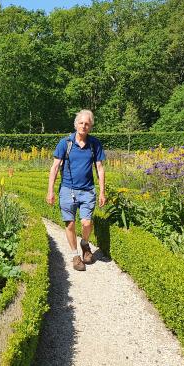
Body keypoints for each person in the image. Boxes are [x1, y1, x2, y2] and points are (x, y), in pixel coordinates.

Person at [46, 109, 106, 271]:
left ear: (90, 126)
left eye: (87, 124)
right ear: (76, 124)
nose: (84, 126)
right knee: (70, 224)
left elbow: (99, 168)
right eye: (81, 123)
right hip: (67, 190)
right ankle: (75, 255)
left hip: (88, 191)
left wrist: (102, 191)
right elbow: (55, 167)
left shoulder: (94, 144)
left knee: (86, 223)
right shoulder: (65, 143)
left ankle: (85, 243)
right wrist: (50, 190)